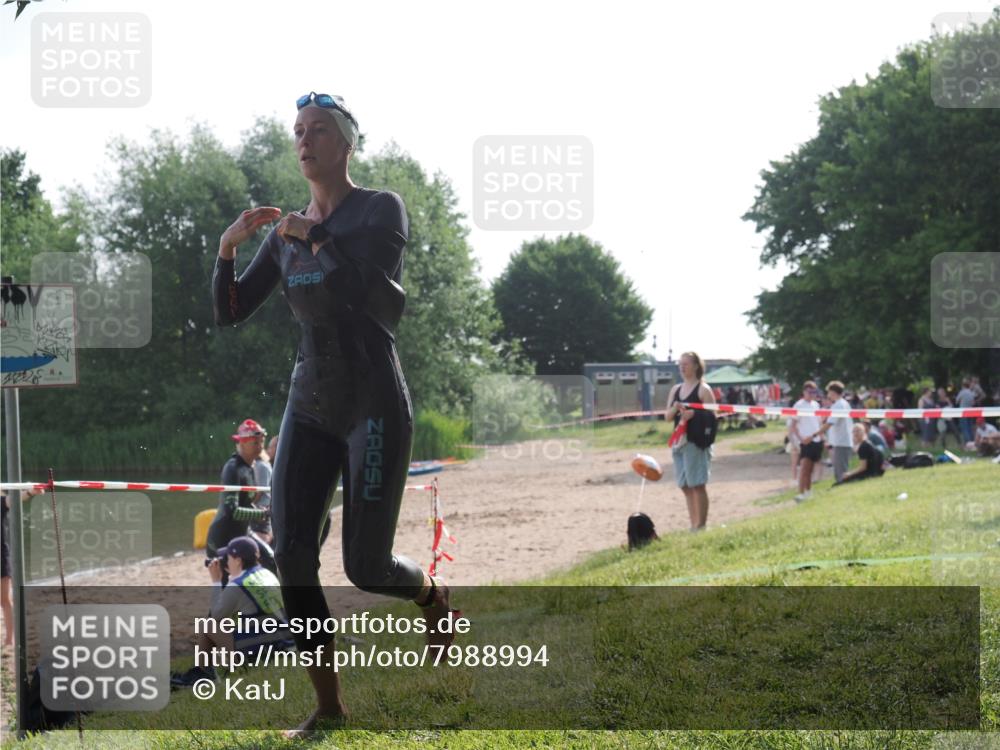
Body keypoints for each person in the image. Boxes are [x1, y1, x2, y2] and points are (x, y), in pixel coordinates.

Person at [211, 91, 455, 735]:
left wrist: (314, 234)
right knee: (291, 552)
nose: (304, 139)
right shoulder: (286, 235)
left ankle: (433, 597)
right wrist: (229, 248)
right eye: (297, 131)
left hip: (374, 403)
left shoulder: (380, 210)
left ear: (346, 143)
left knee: (364, 567)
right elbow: (231, 311)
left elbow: (364, 294)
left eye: (317, 129)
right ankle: (328, 706)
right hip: (310, 405)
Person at [171, 536, 293, 687]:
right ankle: (204, 671)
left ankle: (203, 675)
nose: (225, 562)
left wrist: (216, 581)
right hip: (285, 644)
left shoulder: (237, 585)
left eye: (227, 558)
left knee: (207, 625)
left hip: (261, 653)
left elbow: (215, 616)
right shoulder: (267, 574)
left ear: (237, 560)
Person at [206, 419, 274, 582]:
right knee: (226, 588)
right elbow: (232, 511)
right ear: (242, 443)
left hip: (243, 533)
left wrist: (267, 512)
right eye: (255, 441)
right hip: (223, 538)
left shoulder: (251, 468)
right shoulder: (233, 468)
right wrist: (261, 514)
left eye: (261, 441)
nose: (260, 445)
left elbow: (246, 502)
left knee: (271, 561)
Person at [663, 352, 715, 531]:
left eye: (685, 363)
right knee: (684, 485)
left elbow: (712, 416)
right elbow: (667, 417)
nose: (682, 367)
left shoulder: (703, 389)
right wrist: (675, 408)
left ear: (695, 366)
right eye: (680, 364)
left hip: (696, 442)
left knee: (697, 484)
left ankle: (701, 526)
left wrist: (695, 414)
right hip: (679, 441)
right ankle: (693, 524)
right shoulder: (675, 390)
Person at [790, 382, 824, 501]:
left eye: (814, 392)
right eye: (809, 392)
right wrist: (800, 439)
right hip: (806, 441)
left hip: (817, 440)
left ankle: (808, 492)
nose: (812, 394)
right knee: (804, 468)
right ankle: (800, 493)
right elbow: (793, 425)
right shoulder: (798, 405)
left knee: (810, 470)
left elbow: (819, 423)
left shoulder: (816, 405)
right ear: (804, 392)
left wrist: (822, 437)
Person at [816, 381, 853, 483]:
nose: (828, 395)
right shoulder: (843, 403)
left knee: (840, 471)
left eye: (829, 392)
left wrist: (816, 434)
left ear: (833, 392)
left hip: (841, 442)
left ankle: (842, 488)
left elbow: (830, 423)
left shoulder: (838, 405)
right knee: (840, 469)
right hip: (842, 441)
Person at [955, 378, 978, 445]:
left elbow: (957, 401)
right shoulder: (971, 393)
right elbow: (973, 402)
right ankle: (972, 440)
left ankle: (968, 442)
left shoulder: (962, 392)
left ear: (963, 386)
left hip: (963, 412)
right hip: (970, 411)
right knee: (970, 427)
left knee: (964, 427)